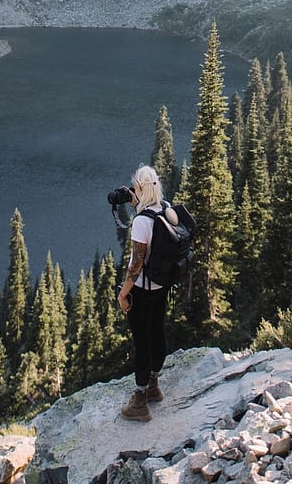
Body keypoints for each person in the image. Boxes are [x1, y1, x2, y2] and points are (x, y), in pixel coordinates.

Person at [116, 164, 174, 422]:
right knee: (156, 331)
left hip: (142, 289)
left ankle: (140, 402)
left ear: (140, 189)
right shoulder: (165, 208)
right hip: (161, 285)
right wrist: (135, 202)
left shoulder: (141, 222)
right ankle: (153, 386)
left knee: (141, 341)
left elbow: (136, 264)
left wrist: (123, 294)